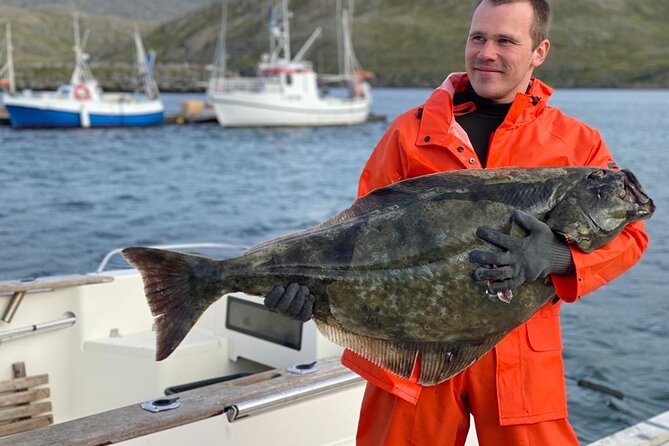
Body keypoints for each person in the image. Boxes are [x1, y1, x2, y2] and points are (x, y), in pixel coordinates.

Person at [264, 0, 649, 444]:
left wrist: (559, 257)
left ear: (539, 51)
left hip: (519, 352)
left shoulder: (578, 143)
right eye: (478, 37)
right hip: (410, 347)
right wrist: (309, 290)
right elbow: (353, 244)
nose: (486, 52)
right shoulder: (410, 133)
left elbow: (630, 235)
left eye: (505, 40)